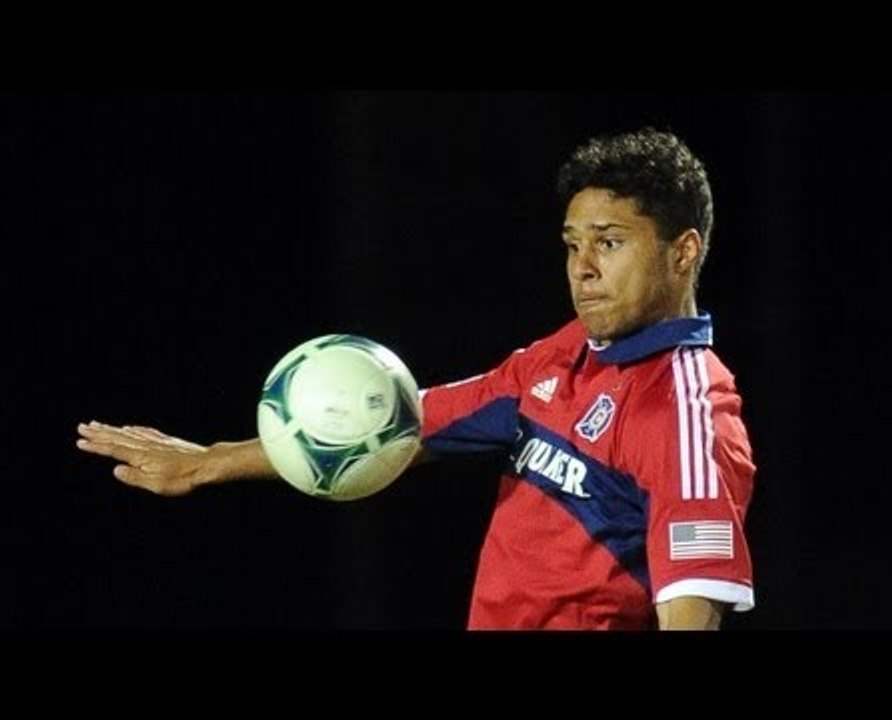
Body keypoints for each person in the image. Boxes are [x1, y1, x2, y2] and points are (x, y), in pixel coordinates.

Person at [77, 128, 756, 630]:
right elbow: (398, 425)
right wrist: (209, 462)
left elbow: (693, 605)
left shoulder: (687, 412)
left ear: (683, 252)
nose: (583, 267)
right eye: (572, 244)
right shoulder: (563, 355)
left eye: (609, 242)